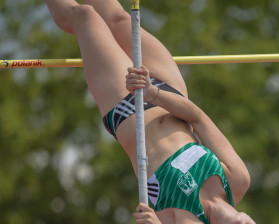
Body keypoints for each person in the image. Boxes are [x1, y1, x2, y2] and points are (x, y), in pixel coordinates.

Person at [44, 0, 255, 223]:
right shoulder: (237, 181)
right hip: (166, 91)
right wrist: (153, 92)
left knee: (84, 16)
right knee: (119, 19)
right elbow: (197, 117)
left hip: (126, 106)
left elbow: (144, 215)